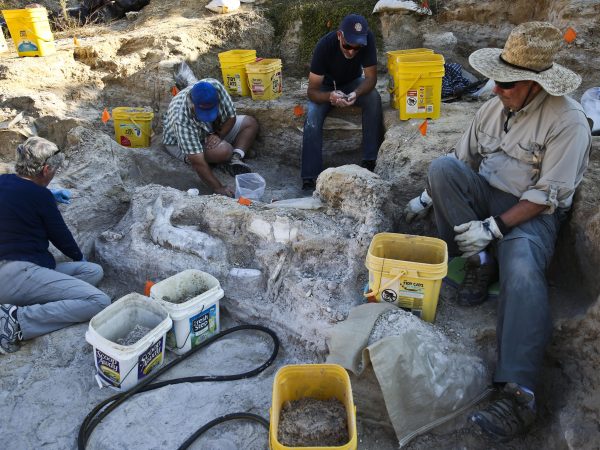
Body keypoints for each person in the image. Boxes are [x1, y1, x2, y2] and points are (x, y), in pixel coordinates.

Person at [404, 22, 591, 441]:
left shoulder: (569, 122)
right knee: (440, 171)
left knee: (524, 271)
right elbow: (460, 159)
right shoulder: (493, 106)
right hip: (488, 196)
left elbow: (547, 197)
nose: (497, 88)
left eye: (507, 83)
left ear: (535, 83)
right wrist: (423, 199)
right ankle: (482, 265)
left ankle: (519, 395)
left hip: (532, 213)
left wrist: (493, 227)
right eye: (497, 78)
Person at [0, 137, 111, 354]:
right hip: (17, 272)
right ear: (46, 169)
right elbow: (60, 236)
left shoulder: (3, 180)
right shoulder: (40, 195)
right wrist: (78, 255)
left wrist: (48, 195)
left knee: (92, 271)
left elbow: (18, 192)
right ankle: (16, 321)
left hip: (16, 273)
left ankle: (19, 303)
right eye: (54, 171)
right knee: (98, 300)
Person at [301, 13, 384, 191]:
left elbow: (371, 78)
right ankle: (310, 176)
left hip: (353, 82)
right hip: (325, 87)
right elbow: (312, 91)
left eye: (357, 48)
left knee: (373, 97)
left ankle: (371, 160)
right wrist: (329, 96)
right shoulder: (324, 46)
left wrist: (356, 93)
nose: (352, 51)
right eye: (347, 46)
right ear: (340, 35)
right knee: (313, 116)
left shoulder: (367, 39)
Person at [163, 78, 259, 197]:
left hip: (210, 130)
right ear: (193, 104)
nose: (207, 115)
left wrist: (218, 135)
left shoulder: (216, 88)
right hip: (179, 143)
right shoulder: (181, 118)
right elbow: (197, 162)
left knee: (250, 123)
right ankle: (225, 156)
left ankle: (235, 158)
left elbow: (231, 117)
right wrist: (218, 187)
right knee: (224, 150)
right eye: (203, 112)